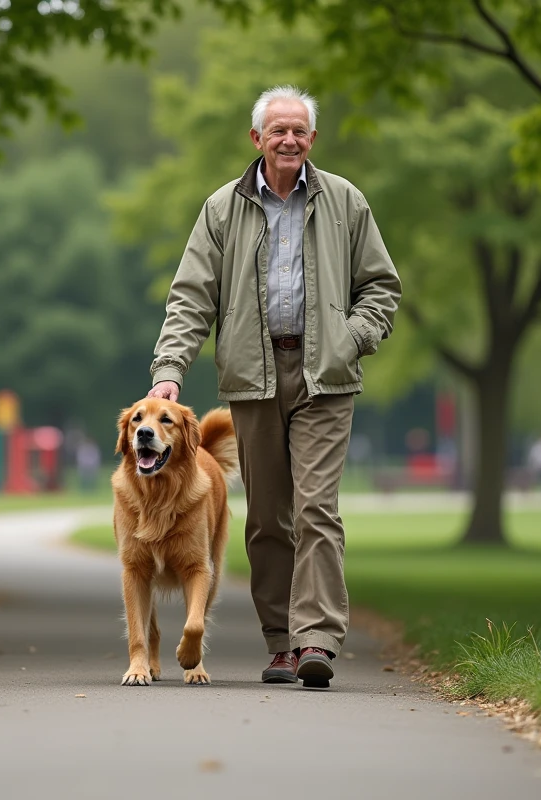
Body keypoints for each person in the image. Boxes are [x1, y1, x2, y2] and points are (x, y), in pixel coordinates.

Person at [146, 85, 402, 687]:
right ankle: (281, 641)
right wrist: (168, 373)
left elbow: (382, 287)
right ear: (257, 139)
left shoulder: (345, 201)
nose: (290, 139)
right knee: (266, 517)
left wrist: (351, 337)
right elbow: (191, 297)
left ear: (312, 139)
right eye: (278, 130)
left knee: (316, 508)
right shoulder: (222, 208)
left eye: (300, 131)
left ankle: (316, 641)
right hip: (253, 379)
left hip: (325, 377)